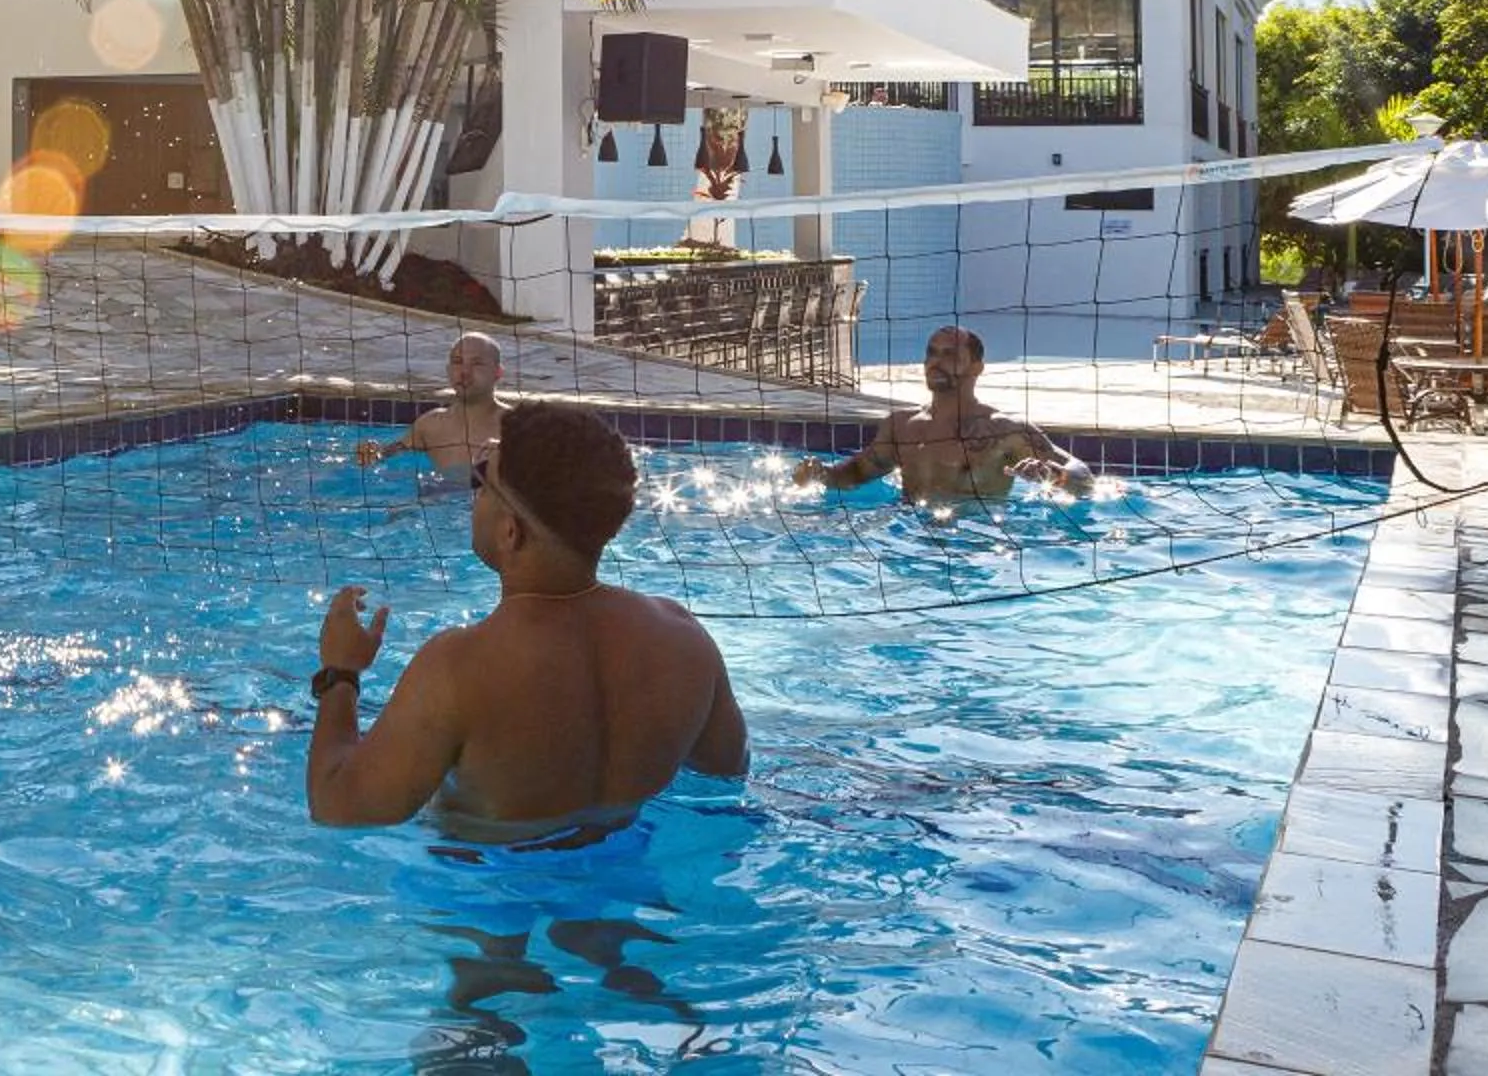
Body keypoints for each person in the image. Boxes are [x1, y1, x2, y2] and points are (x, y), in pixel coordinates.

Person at [304, 402, 750, 839]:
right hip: (630, 884)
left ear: (510, 530)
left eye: (481, 481)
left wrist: (340, 674)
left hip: (484, 891)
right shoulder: (683, 638)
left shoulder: (460, 666)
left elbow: (339, 807)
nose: (473, 496)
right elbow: (727, 770)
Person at [793, 325, 1093, 505]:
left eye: (949, 354)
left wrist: (1059, 474)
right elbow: (855, 474)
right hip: (906, 537)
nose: (936, 362)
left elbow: (1085, 477)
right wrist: (820, 473)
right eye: (931, 353)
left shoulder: (1004, 430)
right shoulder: (902, 427)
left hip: (974, 540)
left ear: (977, 367)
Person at [354, 331, 509, 471]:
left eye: (477, 363)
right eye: (457, 361)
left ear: (498, 372)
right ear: (448, 370)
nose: (464, 372)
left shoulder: (514, 426)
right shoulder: (430, 425)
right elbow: (385, 457)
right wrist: (372, 454)